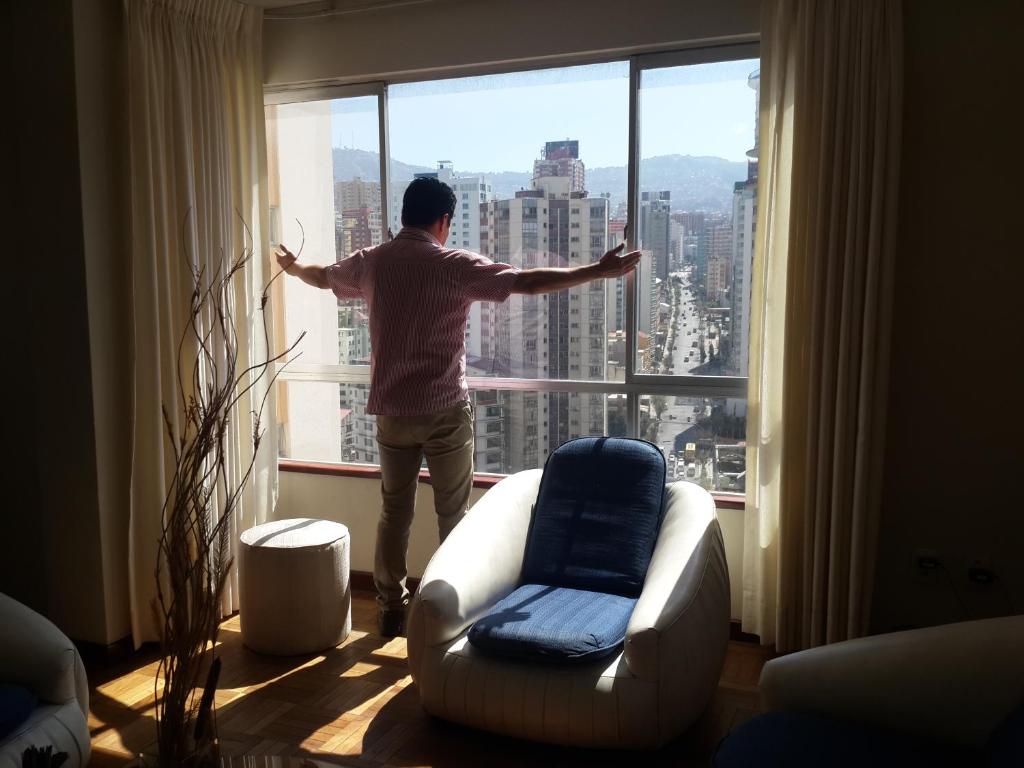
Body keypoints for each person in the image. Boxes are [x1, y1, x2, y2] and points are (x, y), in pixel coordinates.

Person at [275, 176, 641, 636]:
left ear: (404, 215)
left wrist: (293, 267)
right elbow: (524, 283)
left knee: (394, 511)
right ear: (444, 221)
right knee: (453, 515)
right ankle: (449, 607)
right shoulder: (453, 264)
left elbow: (322, 276)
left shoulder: (372, 263)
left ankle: (390, 605)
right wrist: (595, 271)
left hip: (391, 410)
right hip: (444, 409)